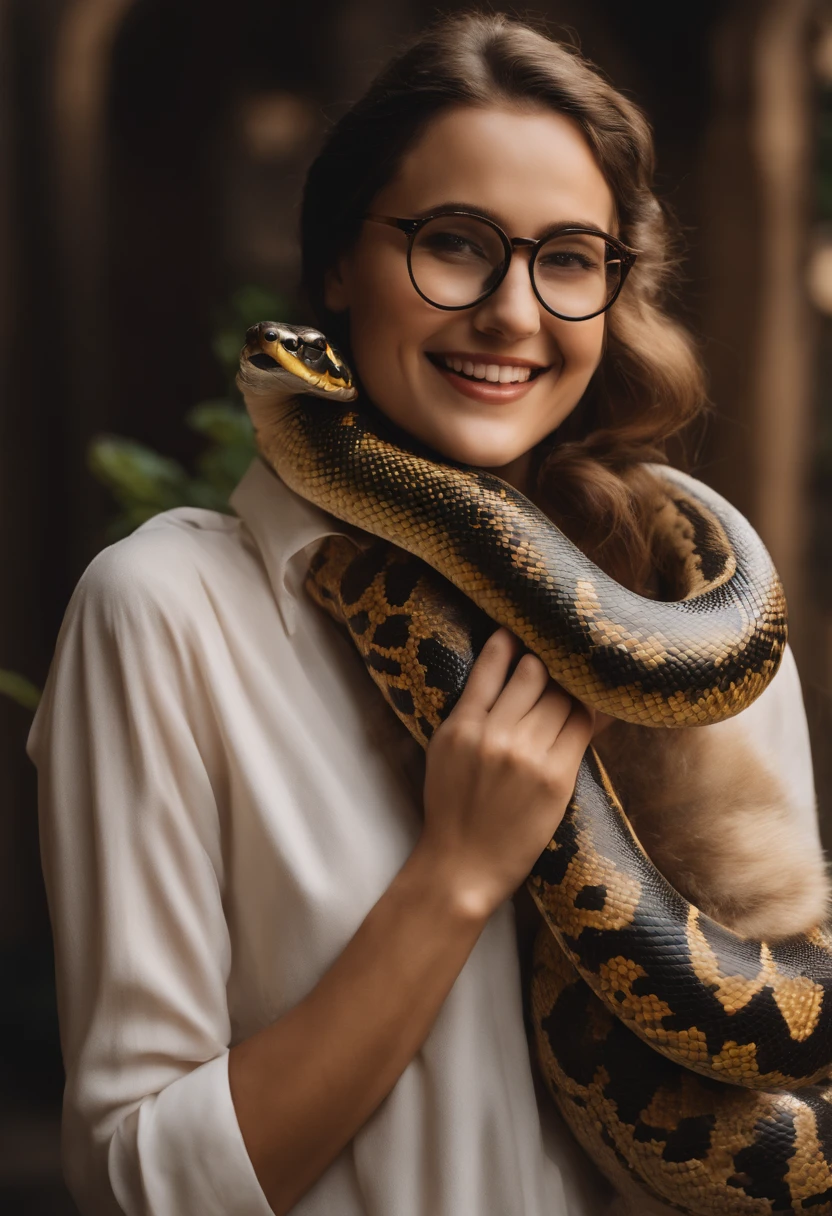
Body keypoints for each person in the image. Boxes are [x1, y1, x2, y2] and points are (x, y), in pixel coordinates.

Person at [29, 12, 824, 1216]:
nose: (511, 312)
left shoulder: (695, 615)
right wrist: (457, 872)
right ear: (340, 262)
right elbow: (140, 1184)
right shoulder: (170, 617)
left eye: (566, 259)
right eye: (453, 244)